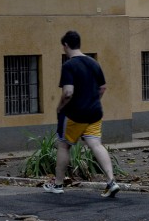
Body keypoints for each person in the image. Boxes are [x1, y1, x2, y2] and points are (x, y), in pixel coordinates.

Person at [43, 30, 120, 198]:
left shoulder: (69, 65)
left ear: (65, 45)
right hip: (94, 112)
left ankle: (57, 184)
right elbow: (103, 87)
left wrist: (59, 106)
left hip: (74, 115)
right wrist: (93, 100)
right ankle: (111, 181)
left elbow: (68, 92)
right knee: (96, 144)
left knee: (64, 145)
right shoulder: (94, 63)